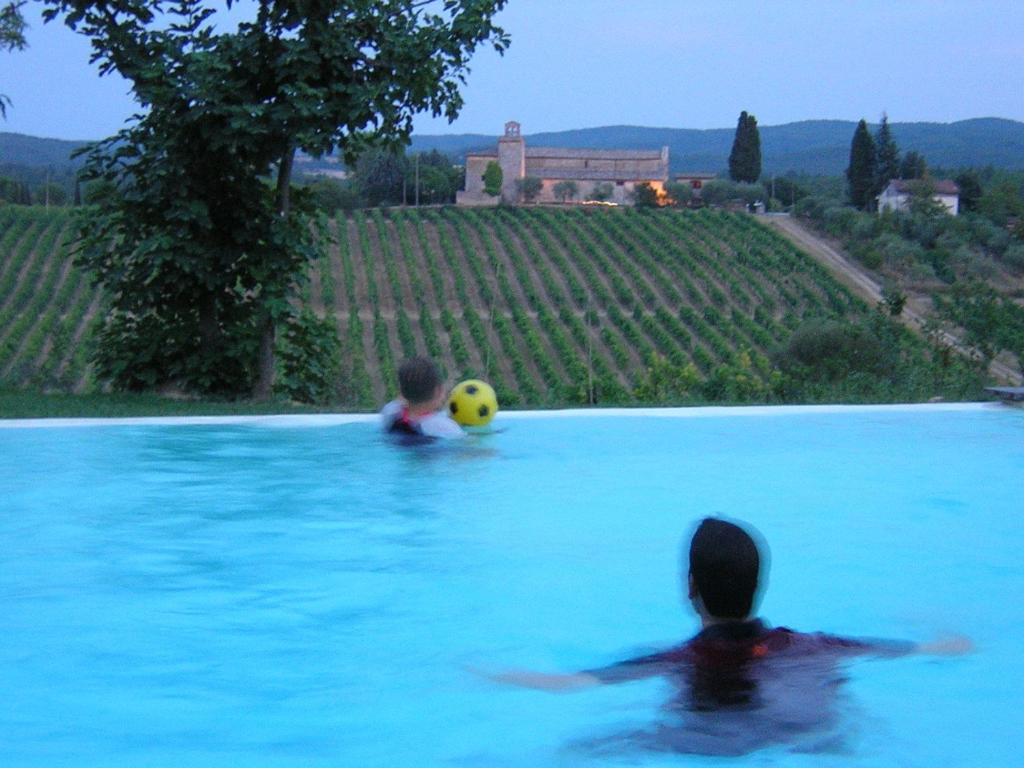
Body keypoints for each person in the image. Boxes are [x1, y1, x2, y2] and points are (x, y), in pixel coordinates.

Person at [482, 517, 971, 755]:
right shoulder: (818, 646)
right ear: (760, 586)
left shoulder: (677, 660)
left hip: (702, 744)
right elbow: (938, 649)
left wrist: (490, 674)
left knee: (592, 747)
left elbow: (566, 684)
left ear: (690, 588)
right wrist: (937, 630)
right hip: (808, 731)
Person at [380, 357, 464, 441]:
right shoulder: (446, 427)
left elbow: (399, 401)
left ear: (401, 391)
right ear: (438, 391)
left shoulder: (390, 412)